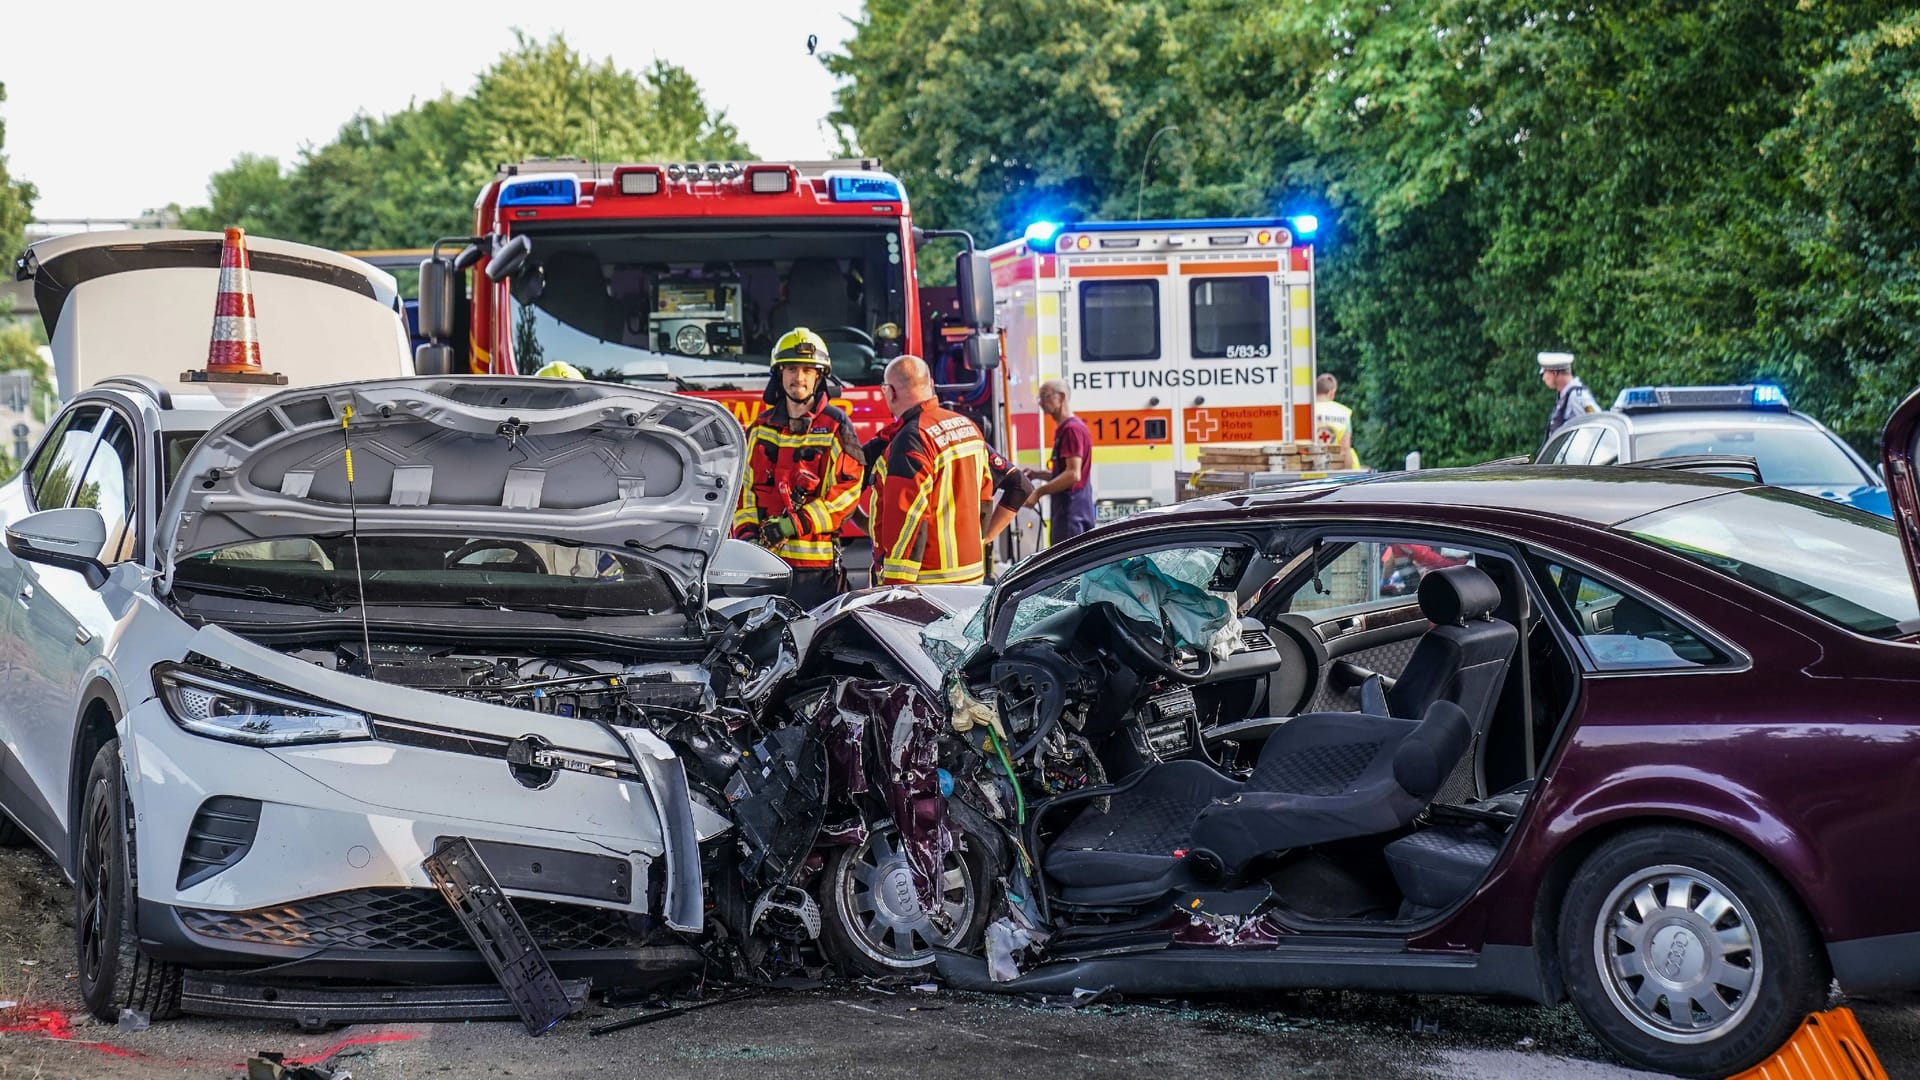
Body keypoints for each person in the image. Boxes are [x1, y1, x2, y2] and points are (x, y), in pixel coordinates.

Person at [867, 355, 1033, 586]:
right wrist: (983, 539)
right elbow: (1020, 486)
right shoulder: (966, 427)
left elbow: (908, 521)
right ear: (931, 385)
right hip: (972, 581)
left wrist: (895, 590)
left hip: (929, 586)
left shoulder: (912, 438)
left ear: (890, 392)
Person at [732, 328, 864, 608]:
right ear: (779, 374)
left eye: (807, 370)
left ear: (820, 376)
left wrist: (795, 524)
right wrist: (748, 538)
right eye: (791, 368)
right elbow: (744, 491)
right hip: (764, 566)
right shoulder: (761, 427)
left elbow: (847, 492)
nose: (799, 377)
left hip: (815, 571)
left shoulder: (836, 426)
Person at [1023, 379, 1096, 544]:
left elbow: (1073, 475)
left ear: (1061, 397)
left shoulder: (1072, 430)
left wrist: (1038, 492)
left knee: (1068, 565)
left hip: (1071, 515)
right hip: (1071, 512)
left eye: (1045, 396)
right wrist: (1039, 474)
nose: (1041, 402)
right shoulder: (1067, 428)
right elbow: (1066, 473)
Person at [1538, 351, 1599, 443]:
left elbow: (1597, 425)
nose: (1543, 378)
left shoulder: (1578, 397)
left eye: (1545, 373)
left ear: (1554, 373)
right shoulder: (1565, 396)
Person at [1313, 373, 1364, 469]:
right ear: (1332, 392)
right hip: (1336, 467)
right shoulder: (1342, 412)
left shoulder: (1304, 411)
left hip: (1311, 466)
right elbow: (1345, 447)